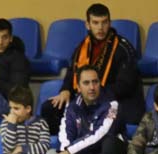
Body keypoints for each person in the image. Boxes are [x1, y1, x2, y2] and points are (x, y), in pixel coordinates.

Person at [39, 3, 143, 134]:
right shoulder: (82, 47)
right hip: (88, 98)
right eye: (95, 23)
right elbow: (73, 72)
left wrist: (93, 94)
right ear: (87, 25)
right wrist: (65, 90)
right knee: (50, 108)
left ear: (110, 23)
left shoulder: (123, 48)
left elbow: (125, 86)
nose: (100, 27)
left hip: (115, 100)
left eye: (104, 22)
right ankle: (61, 143)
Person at [45, 65, 126, 154]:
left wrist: (69, 152)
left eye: (95, 82)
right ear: (78, 86)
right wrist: (65, 152)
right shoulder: (73, 106)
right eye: (86, 83)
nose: (92, 87)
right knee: (51, 153)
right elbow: (65, 133)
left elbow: (98, 135)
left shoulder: (111, 105)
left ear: (100, 83)